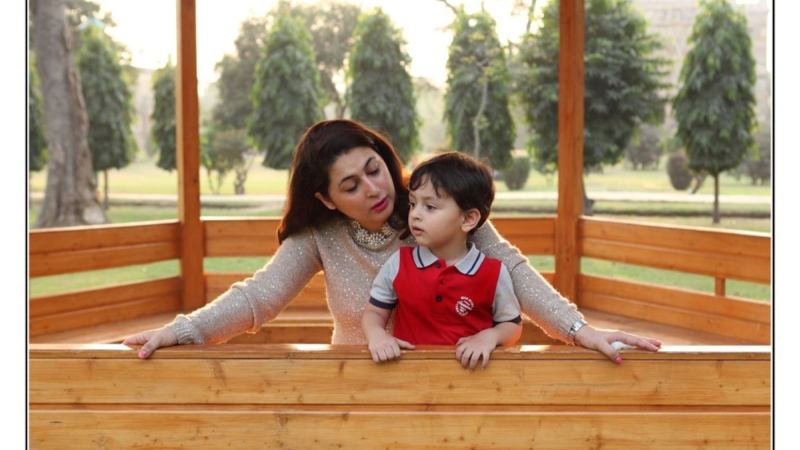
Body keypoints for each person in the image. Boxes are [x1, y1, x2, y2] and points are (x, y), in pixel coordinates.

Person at [123, 119, 662, 363]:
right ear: (327, 199)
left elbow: (514, 273)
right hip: (356, 388)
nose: (374, 189)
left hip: (457, 385)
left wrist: (579, 331)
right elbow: (258, 297)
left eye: (374, 168)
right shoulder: (321, 234)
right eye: (351, 186)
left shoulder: (439, 207)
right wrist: (183, 331)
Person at [363, 152, 522, 369]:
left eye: (430, 207)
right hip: (407, 378)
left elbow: (512, 325)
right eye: (413, 203)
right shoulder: (399, 263)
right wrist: (377, 336)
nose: (415, 214)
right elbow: (374, 313)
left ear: (468, 219)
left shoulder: (493, 273)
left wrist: (491, 336)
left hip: (471, 381)